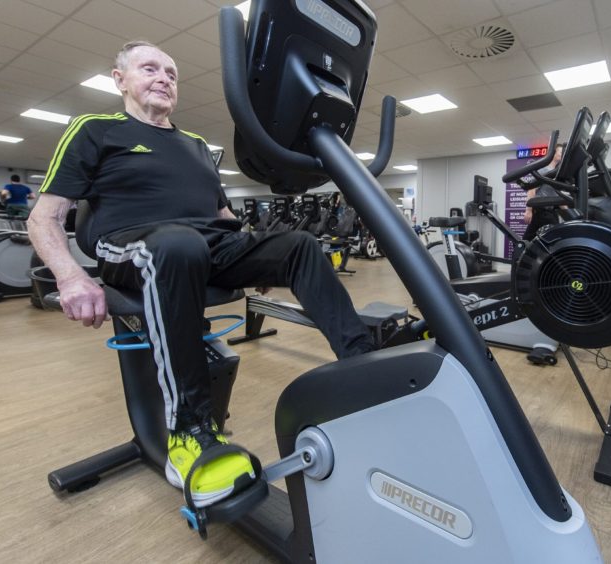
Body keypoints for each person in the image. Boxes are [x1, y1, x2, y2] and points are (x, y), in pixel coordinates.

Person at [27, 41, 374, 509]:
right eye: (150, 68)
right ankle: (189, 431)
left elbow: (223, 215)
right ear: (119, 79)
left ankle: (365, 368)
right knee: (178, 244)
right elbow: (43, 218)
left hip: (203, 245)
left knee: (300, 245)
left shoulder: (195, 146)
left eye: (172, 72)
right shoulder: (95, 129)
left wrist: (258, 256)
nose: (164, 78)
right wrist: (71, 277)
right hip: (132, 242)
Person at [522, 144, 564, 241]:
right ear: (553, 153)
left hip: (551, 213)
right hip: (541, 212)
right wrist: (528, 210)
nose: (563, 154)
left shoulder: (556, 173)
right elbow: (531, 190)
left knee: (554, 241)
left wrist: (571, 214)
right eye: (561, 152)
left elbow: (558, 196)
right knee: (528, 241)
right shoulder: (543, 170)